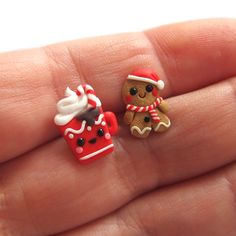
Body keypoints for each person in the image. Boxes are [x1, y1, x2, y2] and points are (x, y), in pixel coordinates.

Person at [0, 19, 236, 236]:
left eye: (143, 91)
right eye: (134, 91)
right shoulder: (75, 119)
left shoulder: (151, 103)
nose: (139, 95)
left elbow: (118, 120)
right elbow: (110, 122)